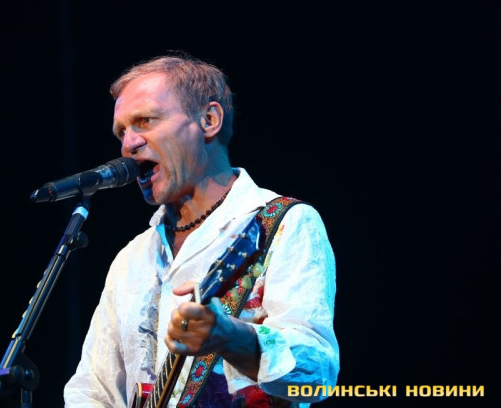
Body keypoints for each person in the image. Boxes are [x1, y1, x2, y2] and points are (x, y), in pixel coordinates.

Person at [63, 53, 339, 407]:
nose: (128, 145)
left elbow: (318, 374)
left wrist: (233, 338)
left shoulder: (284, 223)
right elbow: (93, 390)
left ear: (209, 120)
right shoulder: (131, 259)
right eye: (121, 132)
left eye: (145, 121)